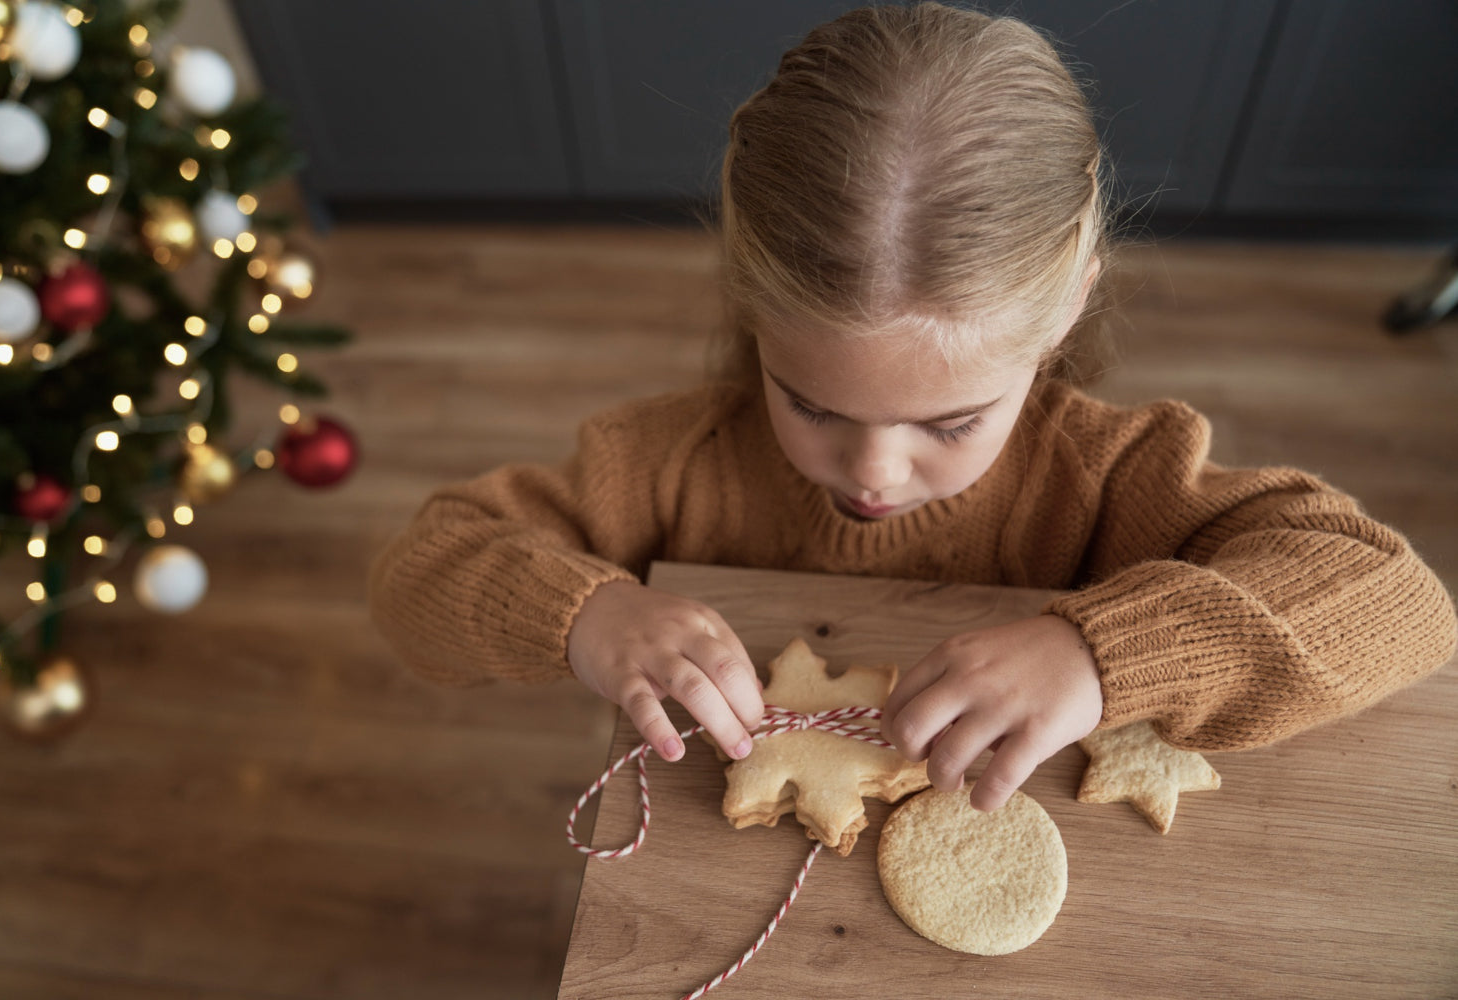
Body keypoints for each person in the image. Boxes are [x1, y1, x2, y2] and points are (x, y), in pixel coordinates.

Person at [368, 4, 1456, 813]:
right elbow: (420, 575)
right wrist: (586, 618)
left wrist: (1100, 657)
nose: (873, 472)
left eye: (949, 424)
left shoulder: (1110, 474)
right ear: (751, 309)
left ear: (1067, 304)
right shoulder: (668, 460)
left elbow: (1398, 601)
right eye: (809, 402)